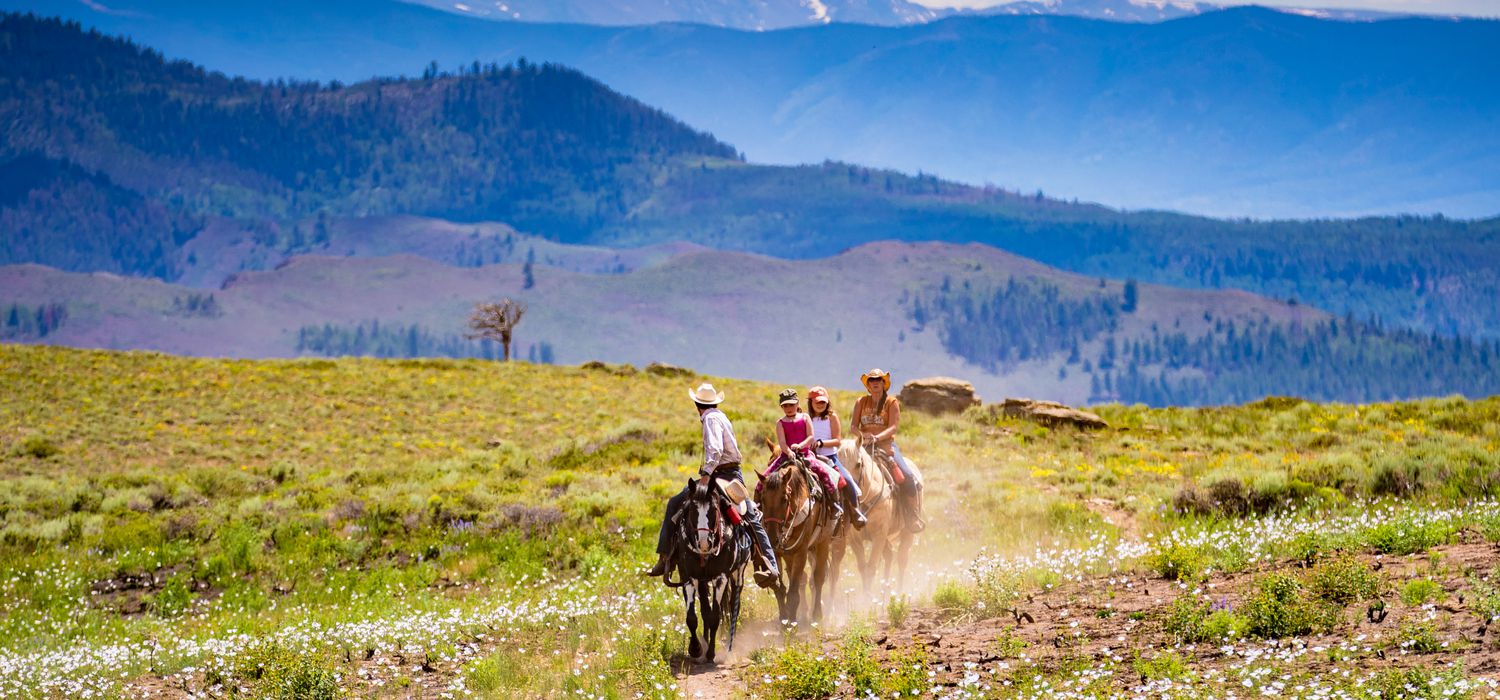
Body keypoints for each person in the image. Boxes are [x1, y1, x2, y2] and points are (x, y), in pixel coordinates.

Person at [646, 382, 780, 587]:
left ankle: (666, 559)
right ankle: (770, 565)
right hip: (733, 474)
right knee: (750, 516)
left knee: (675, 504)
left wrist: (707, 475)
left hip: (719, 473)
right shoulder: (721, 416)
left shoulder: (709, 419)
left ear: (696, 404)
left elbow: (715, 450)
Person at [850, 368, 924, 531]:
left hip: (886, 446)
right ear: (868, 385)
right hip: (864, 447)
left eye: (878, 380)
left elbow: (893, 427)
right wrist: (863, 435)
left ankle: (912, 515)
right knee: (849, 474)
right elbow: (853, 426)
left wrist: (877, 437)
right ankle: (845, 518)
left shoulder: (891, 402)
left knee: (906, 475)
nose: (875, 382)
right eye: (872, 380)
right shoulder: (860, 402)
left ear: (884, 383)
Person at [765, 388, 843, 521]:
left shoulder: (805, 417)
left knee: (824, 473)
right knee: (766, 477)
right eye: (785, 406)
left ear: (797, 404)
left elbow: (811, 437)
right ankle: (759, 505)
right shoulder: (780, 423)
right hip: (786, 456)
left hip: (805, 454)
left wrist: (800, 446)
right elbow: (782, 442)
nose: (789, 408)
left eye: (791, 404)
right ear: (782, 407)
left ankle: (834, 503)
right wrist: (788, 451)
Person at [807, 386, 867, 529]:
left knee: (846, 479)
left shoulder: (831, 417)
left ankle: (855, 510)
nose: (820, 405)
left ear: (827, 402)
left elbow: (837, 440)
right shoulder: (806, 418)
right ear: (811, 402)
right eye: (817, 402)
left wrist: (821, 442)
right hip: (811, 457)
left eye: (823, 402)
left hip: (830, 456)